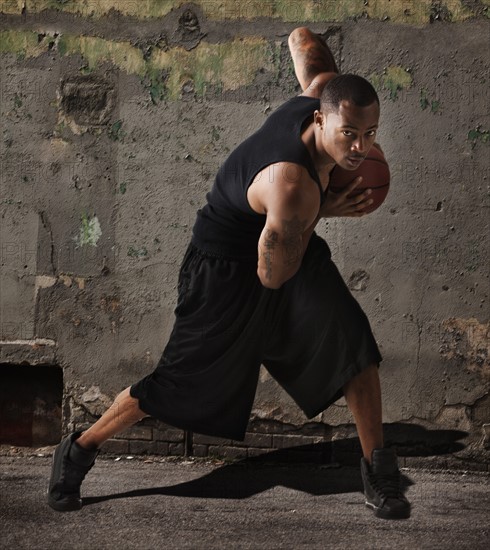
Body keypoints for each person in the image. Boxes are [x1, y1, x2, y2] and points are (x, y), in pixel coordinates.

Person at [48, 27, 411, 520]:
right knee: (176, 386)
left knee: (354, 347)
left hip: (286, 239)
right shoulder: (292, 187)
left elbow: (302, 40)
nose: (360, 148)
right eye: (349, 134)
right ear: (320, 117)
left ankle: (378, 470)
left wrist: (318, 205)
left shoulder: (321, 90)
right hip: (228, 268)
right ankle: (79, 448)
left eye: (370, 134)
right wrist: (323, 210)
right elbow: (271, 278)